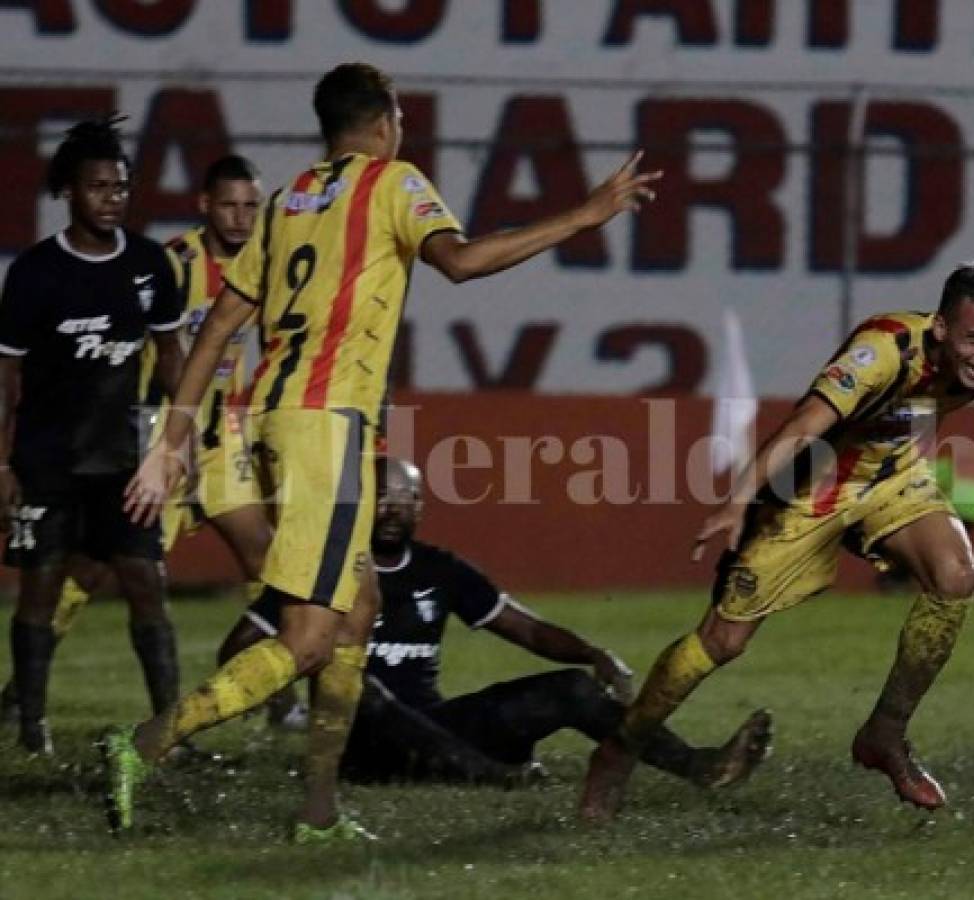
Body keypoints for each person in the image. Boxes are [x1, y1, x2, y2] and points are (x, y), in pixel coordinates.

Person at [109, 62, 662, 841]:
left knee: (360, 609)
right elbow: (462, 262)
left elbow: (226, 316)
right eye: (397, 118)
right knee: (307, 640)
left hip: (284, 418)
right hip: (325, 423)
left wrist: (173, 437)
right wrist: (584, 215)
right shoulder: (392, 182)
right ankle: (144, 745)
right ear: (383, 121)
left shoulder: (290, 198)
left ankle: (320, 809)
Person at [579, 260, 974, 823]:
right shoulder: (880, 350)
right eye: (973, 340)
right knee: (724, 640)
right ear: (940, 329)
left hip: (894, 480)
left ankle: (884, 735)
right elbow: (802, 427)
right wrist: (739, 499)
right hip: (815, 489)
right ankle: (619, 749)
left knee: (956, 576)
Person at [221, 456, 773, 788]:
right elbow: (239, 645)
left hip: (439, 735)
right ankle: (495, 777)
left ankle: (696, 765)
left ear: (421, 508)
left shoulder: (441, 569)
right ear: (359, 506)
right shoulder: (322, 567)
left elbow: (525, 628)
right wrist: (281, 699)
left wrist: (591, 655)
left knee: (571, 691)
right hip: (357, 750)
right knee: (362, 690)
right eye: (381, 497)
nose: (392, 508)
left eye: (406, 497)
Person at [0, 155, 275, 727]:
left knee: (264, 557)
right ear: (204, 205)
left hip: (215, 429)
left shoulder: (264, 265)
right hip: (145, 432)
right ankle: (23, 694)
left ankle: (276, 692)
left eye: (252, 205)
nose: (242, 217)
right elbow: (156, 350)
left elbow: (248, 348)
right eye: (229, 204)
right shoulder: (174, 261)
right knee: (95, 571)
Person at [0, 116, 186, 755]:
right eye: (99, 186)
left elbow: (170, 355)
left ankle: (169, 728)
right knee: (42, 587)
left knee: (146, 580)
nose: (113, 197)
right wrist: (3, 462)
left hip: (122, 461)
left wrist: (169, 443)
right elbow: (7, 373)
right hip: (47, 458)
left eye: (122, 187)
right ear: (69, 192)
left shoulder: (149, 264)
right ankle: (32, 728)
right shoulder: (34, 273)